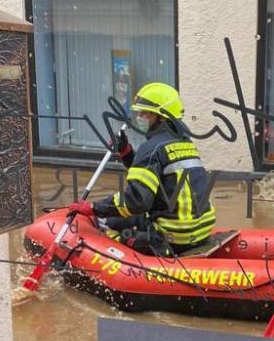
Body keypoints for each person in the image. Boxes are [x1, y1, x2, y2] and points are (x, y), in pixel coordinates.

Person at [68, 83, 216, 255]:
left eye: (145, 113)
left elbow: (136, 201)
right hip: (200, 232)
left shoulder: (151, 148)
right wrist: (126, 152)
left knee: (107, 222)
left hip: (174, 239)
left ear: (162, 117)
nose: (139, 117)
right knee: (129, 215)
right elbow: (153, 179)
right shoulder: (185, 142)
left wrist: (94, 208)